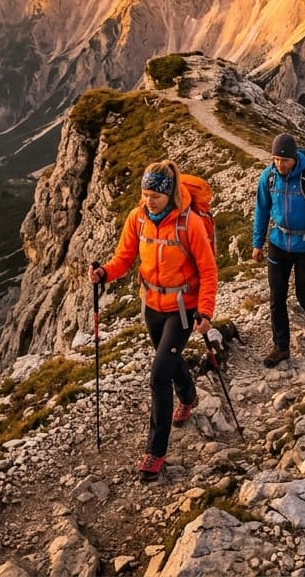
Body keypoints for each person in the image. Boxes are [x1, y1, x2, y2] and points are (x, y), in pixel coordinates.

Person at [89, 160, 216, 483]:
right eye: (145, 194)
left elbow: (208, 269)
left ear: (169, 193)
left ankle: (155, 451)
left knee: (159, 374)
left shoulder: (189, 224)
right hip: (151, 304)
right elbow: (125, 257)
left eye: (155, 196)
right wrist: (104, 273)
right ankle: (188, 396)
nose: (148, 201)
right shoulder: (138, 218)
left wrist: (205, 311)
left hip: (182, 308)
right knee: (169, 360)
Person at [252, 133, 305, 366]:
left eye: (284, 160)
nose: (280, 164)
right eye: (276, 159)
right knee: (276, 297)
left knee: (304, 295)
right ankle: (281, 347)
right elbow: (261, 210)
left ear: (295, 158)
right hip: (278, 243)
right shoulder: (268, 178)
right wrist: (257, 243)